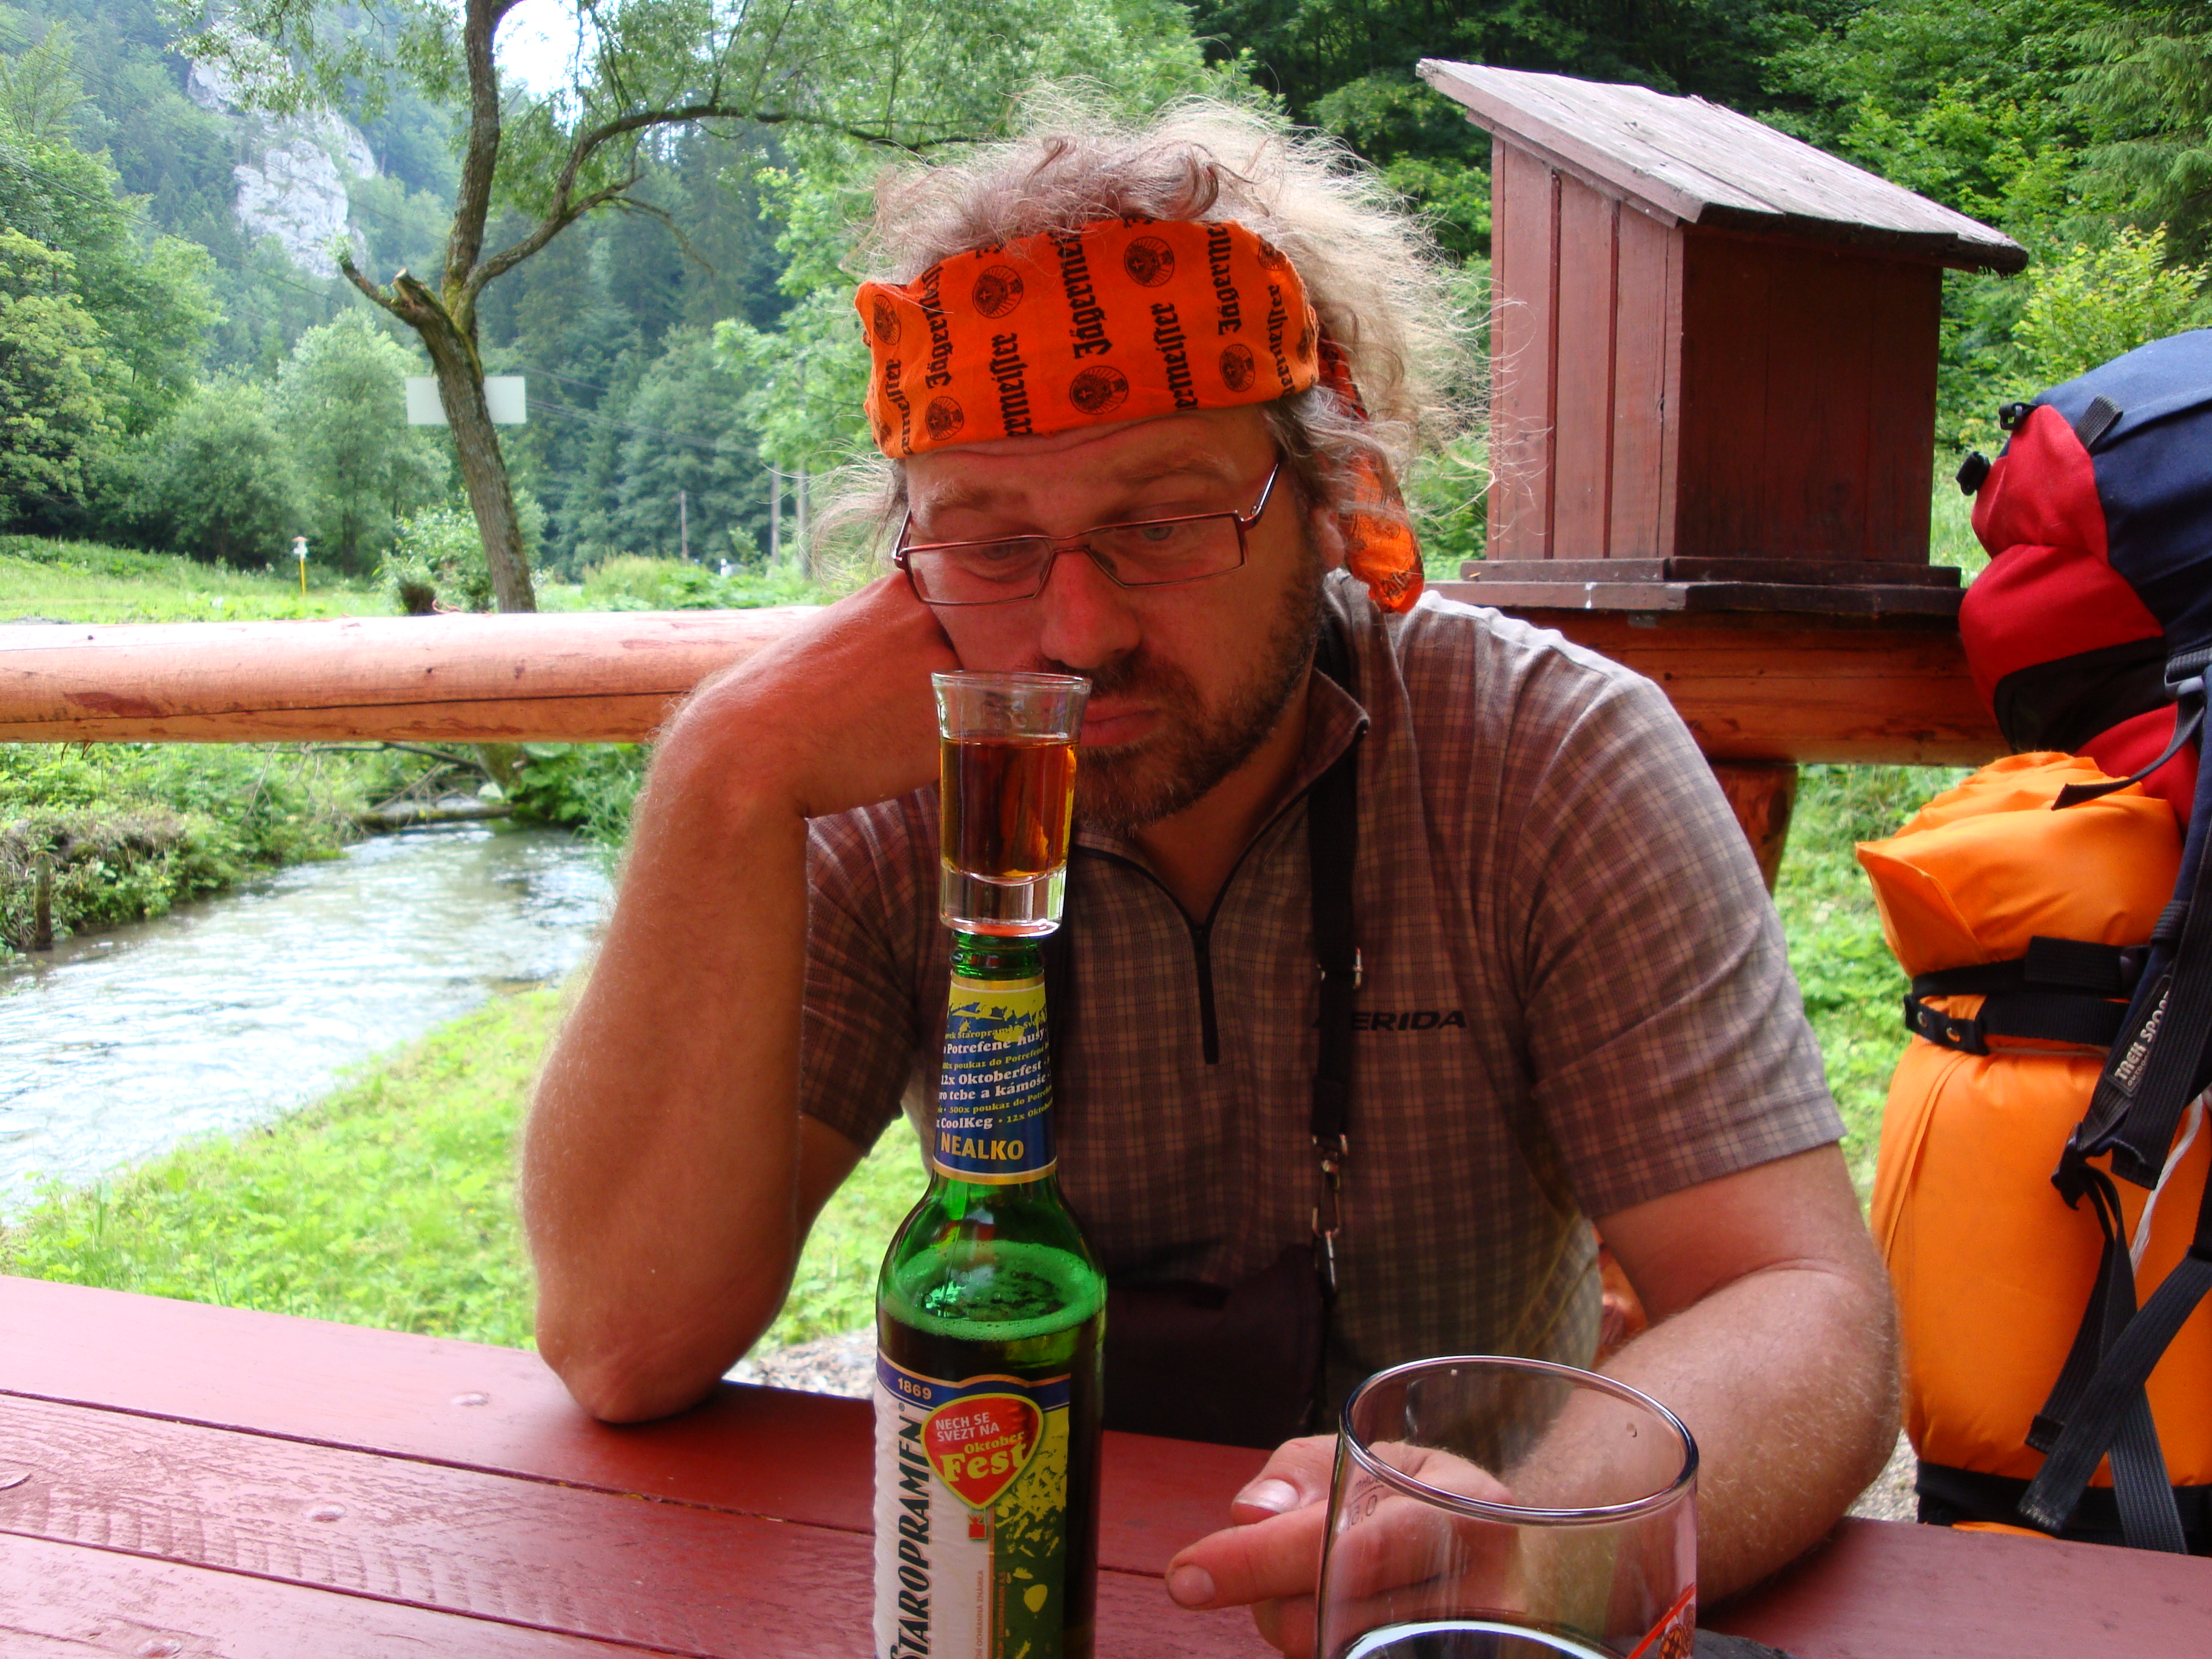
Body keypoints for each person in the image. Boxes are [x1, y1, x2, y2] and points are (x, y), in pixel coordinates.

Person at [522, 102, 1899, 1648]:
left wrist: (1528, 1549)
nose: (1077, 633)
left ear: (1327, 499)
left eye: (1166, 522)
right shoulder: (898, 783)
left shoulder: (1545, 759)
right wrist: (723, 773)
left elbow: (1801, 1305)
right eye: (990, 544)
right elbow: (622, 1343)